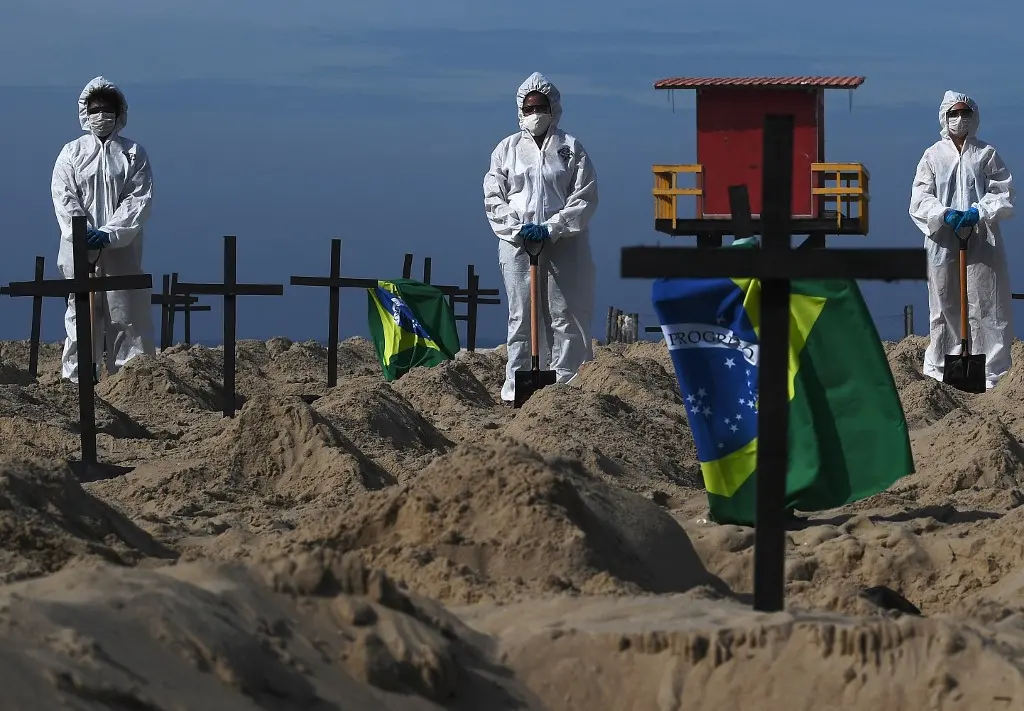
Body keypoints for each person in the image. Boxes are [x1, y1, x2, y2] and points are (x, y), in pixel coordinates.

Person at [482, 72, 599, 403]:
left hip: (565, 242)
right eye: (530, 107)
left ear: (554, 108)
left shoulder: (570, 148)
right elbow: (494, 197)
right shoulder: (507, 150)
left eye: (541, 106)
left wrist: (553, 227)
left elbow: (584, 196)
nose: (536, 113)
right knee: (521, 314)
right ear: (521, 110)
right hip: (518, 244)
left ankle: (568, 385)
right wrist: (517, 229)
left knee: (566, 312)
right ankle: (517, 386)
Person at [50, 76, 156, 383]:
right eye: (95, 108)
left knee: (127, 317)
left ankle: (132, 384)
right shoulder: (71, 153)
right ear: (85, 111)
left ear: (119, 111)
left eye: (107, 108)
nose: (101, 115)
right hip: (79, 250)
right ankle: (77, 381)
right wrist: (81, 232)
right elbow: (64, 196)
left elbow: (138, 200)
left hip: (122, 251)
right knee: (81, 318)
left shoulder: (133, 154)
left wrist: (110, 234)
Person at [909, 90, 1014, 389]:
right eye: (953, 114)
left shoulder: (986, 154)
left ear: (974, 116)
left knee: (987, 301)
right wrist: (944, 214)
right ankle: (941, 369)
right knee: (944, 303)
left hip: (981, 237)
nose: (959, 119)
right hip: (943, 239)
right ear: (944, 117)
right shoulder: (932, 156)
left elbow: (1004, 193)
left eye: (964, 113)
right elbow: (919, 199)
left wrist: (978, 211)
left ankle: (992, 371)